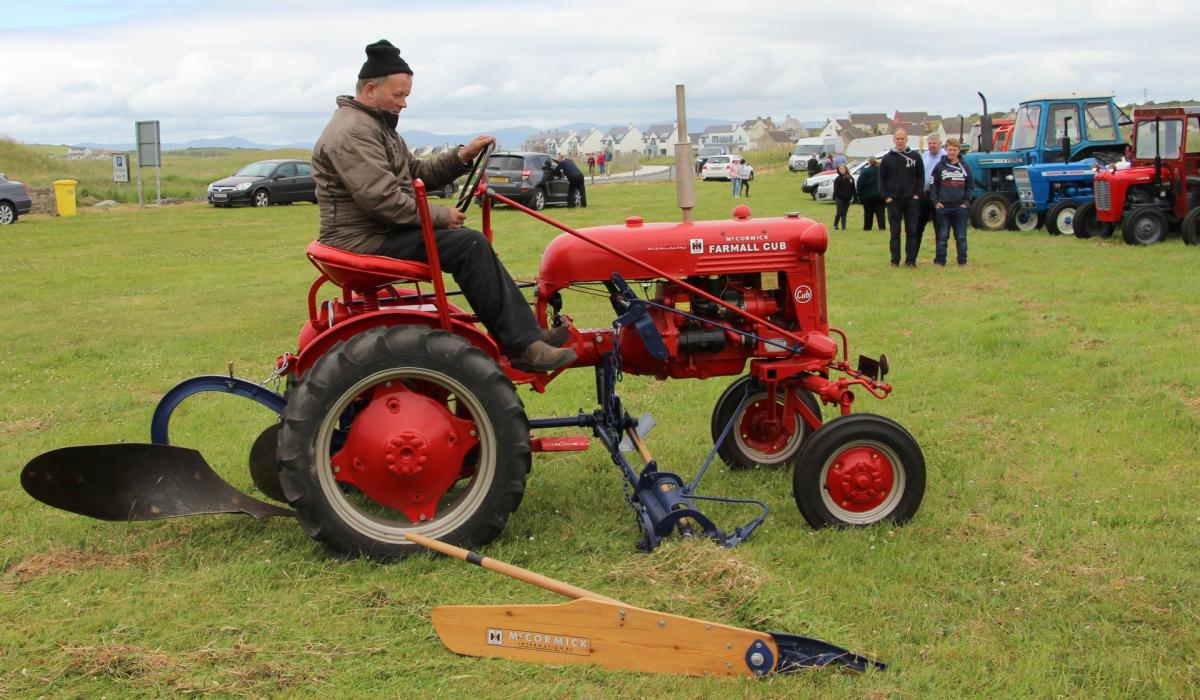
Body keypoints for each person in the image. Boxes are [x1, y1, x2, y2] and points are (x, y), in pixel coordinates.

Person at [311, 39, 574, 372]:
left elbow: (417, 172)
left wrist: (461, 156)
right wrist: (440, 216)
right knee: (469, 245)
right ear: (369, 89)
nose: (404, 103)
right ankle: (524, 347)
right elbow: (382, 200)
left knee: (469, 243)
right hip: (363, 240)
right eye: (398, 95)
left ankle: (527, 335)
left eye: (406, 95)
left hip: (376, 232)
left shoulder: (376, 126)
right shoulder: (354, 132)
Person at [879, 128, 925, 267]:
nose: (900, 141)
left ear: (906, 140)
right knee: (895, 233)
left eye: (902, 138)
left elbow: (921, 177)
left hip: (911, 201)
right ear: (894, 140)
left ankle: (910, 261)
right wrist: (886, 196)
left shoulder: (915, 157)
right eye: (897, 139)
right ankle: (895, 260)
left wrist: (917, 194)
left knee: (912, 231)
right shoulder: (887, 158)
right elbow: (881, 179)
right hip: (894, 201)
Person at [930, 137, 974, 266]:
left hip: (960, 208)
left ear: (959, 150)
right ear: (945, 150)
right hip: (943, 207)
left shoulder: (965, 166)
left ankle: (962, 261)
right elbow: (933, 185)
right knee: (942, 237)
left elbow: (970, 186)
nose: (952, 152)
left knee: (961, 237)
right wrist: (935, 202)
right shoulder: (939, 166)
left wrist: (966, 202)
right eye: (950, 150)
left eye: (954, 150)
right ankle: (940, 261)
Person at [918, 135, 946, 237]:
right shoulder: (924, 156)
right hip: (924, 194)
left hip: (939, 195)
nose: (932, 145)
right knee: (918, 225)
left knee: (939, 226)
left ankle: (940, 247)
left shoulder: (945, 157)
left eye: (934, 143)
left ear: (940, 144)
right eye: (930, 143)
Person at [857, 157, 885, 231]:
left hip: (867, 196)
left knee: (868, 213)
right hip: (880, 195)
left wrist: (860, 196)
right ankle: (882, 227)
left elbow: (860, 184)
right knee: (880, 213)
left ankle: (867, 228)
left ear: (869, 162)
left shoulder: (865, 171)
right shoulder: (881, 171)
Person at [831, 164, 856, 231]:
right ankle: (835, 225)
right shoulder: (837, 179)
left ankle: (843, 228)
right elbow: (836, 190)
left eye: (843, 169)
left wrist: (853, 196)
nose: (841, 170)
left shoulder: (850, 178)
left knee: (844, 213)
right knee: (839, 212)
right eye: (840, 169)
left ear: (846, 169)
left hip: (847, 198)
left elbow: (853, 188)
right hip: (839, 198)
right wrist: (841, 195)